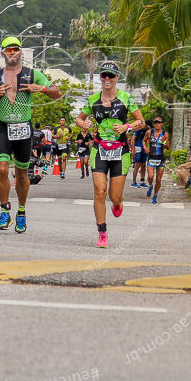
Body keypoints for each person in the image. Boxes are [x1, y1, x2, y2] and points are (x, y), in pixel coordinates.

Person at [0, 36, 61, 233]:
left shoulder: (31, 74)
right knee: (2, 169)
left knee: (23, 173)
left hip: (23, 128)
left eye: (15, 49)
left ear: (21, 52)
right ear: (2, 53)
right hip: (3, 128)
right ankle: (4, 209)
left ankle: (21, 212)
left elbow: (57, 92)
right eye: (8, 49)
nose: (12, 52)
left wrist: (40, 88)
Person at [75, 60, 145, 248]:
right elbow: (79, 118)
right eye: (104, 75)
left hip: (120, 151)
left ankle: (117, 203)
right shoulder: (93, 100)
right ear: (100, 77)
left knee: (114, 196)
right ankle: (102, 232)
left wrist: (126, 126)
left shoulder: (125, 98)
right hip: (99, 149)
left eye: (111, 76)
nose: (107, 79)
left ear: (117, 78)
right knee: (99, 191)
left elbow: (141, 121)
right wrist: (84, 124)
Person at [145, 117, 170, 204]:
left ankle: (155, 196)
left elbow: (168, 147)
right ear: (153, 124)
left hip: (160, 159)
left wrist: (164, 142)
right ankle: (150, 186)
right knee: (151, 176)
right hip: (151, 157)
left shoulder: (165, 134)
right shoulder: (149, 132)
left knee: (158, 180)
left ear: (162, 124)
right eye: (155, 122)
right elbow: (143, 141)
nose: (157, 124)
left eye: (159, 123)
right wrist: (145, 147)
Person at [130, 123, 148, 188]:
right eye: (146, 126)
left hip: (144, 149)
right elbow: (133, 139)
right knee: (137, 165)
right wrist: (133, 149)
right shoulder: (138, 129)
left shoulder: (147, 131)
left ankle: (142, 181)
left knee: (143, 165)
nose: (147, 127)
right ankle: (133, 182)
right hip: (137, 148)